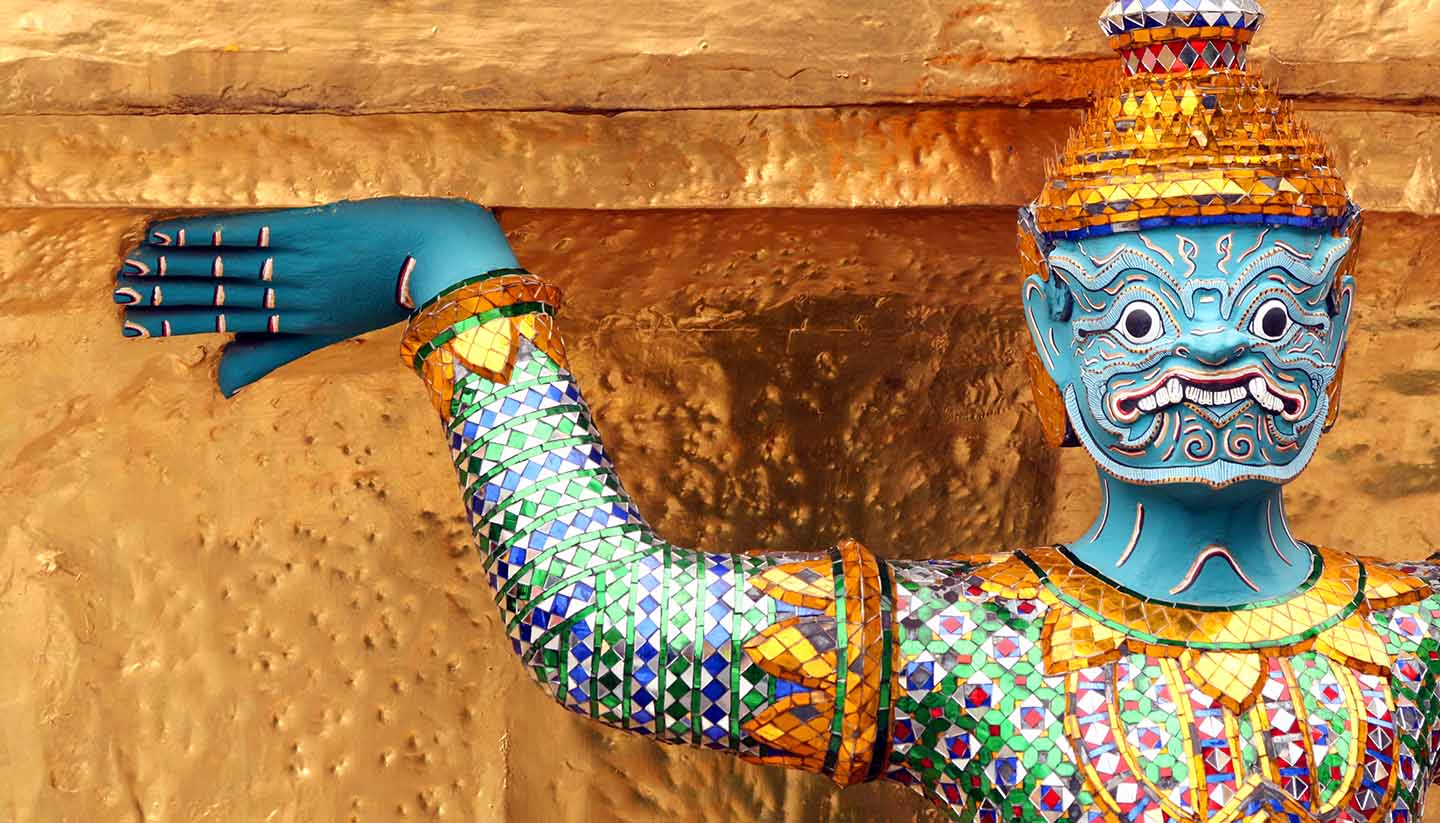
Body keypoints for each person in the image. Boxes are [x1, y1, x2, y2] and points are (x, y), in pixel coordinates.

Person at [112, 1, 1440, 819]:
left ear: (1336, 323)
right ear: (1054, 327)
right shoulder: (976, 650)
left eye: (1270, 317)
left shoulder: (1409, 641)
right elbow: (598, 618)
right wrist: (458, 279)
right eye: (1145, 319)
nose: (1213, 353)